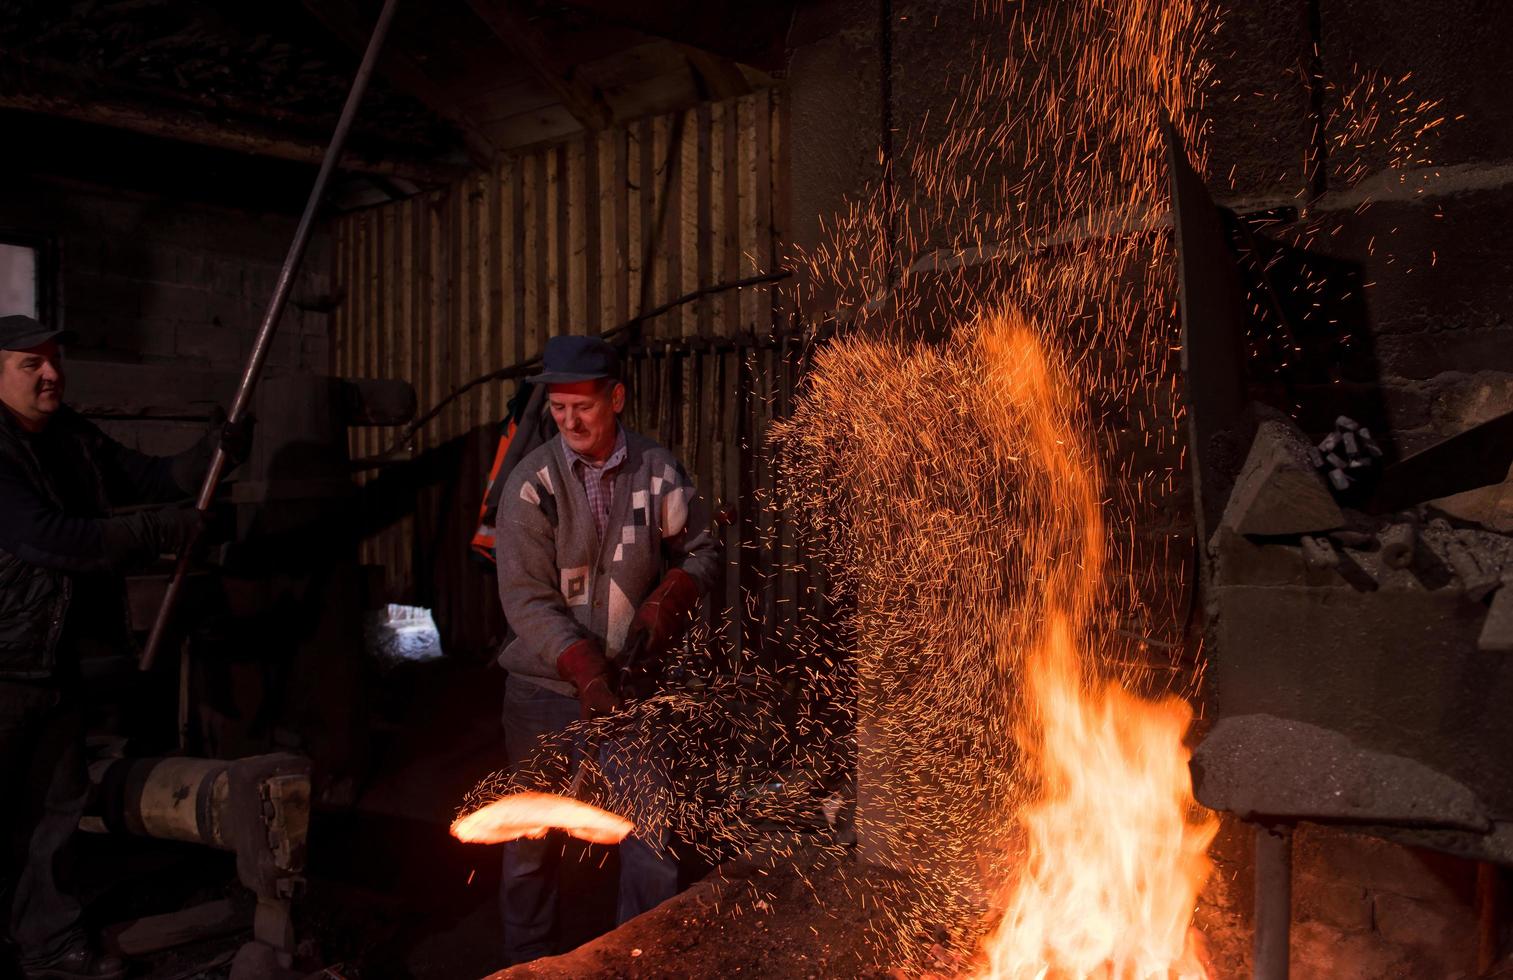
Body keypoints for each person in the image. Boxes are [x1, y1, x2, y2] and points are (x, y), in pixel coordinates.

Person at [0, 315, 249, 980]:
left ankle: (47, 943)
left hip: (55, 661)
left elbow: (152, 477)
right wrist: (159, 530)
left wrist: (215, 453)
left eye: (54, 360)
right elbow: (47, 538)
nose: (51, 374)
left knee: (52, 813)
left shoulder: (70, 436)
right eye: (30, 364)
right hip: (1, 665)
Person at [493, 334, 720, 964]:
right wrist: (580, 664)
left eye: (583, 407)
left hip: (634, 691)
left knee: (650, 834)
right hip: (543, 696)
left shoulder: (658, 471)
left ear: (615, 398)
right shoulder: (531, 487)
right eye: (558, 409)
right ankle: (527, 966)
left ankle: (637, 961)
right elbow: (527, 600)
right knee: (529, 842)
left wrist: (670, 595)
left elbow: (703, 549)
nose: (569, 421)